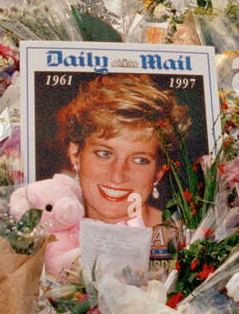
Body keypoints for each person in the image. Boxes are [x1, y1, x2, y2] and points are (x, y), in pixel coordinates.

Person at [56, 75, 191, 251]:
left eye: (139, 160)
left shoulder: (185, 242)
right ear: (75, 154)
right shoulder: (49, 237)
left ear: (159, 171)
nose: (117, 176)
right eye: (104, 154)